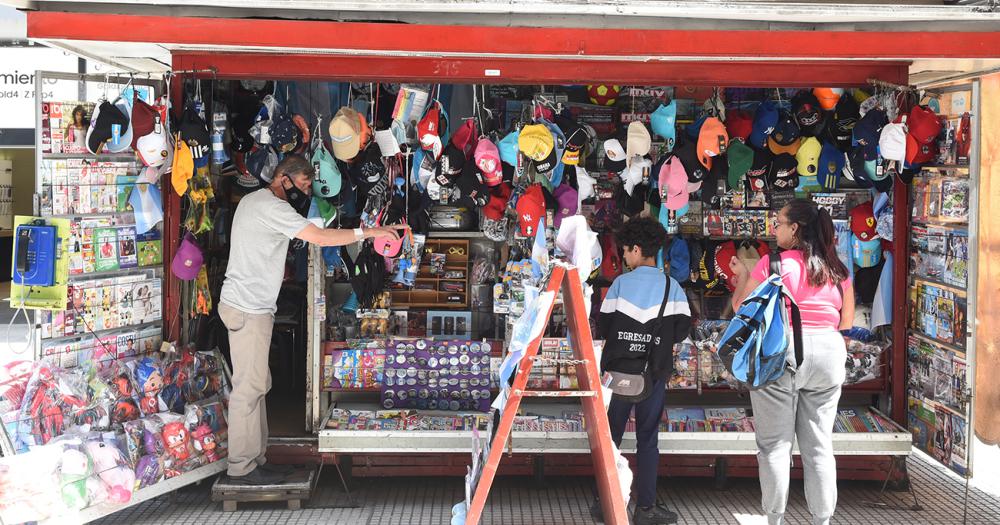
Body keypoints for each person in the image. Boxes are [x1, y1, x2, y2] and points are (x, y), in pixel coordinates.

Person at [219, 154, 407, 485]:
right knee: (248, 389)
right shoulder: (272, 208)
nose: (306, 192)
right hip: (248, 308)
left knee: (259, 384)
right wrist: (369, 232)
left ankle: (256, 459)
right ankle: (242, 467)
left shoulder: (254, 201)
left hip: (251, 306)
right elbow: (319, 239)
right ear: (284, 179)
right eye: (304, 184)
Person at [728, 199, 855, 525]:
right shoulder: (837, 269)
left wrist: (742, 275)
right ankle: (822, 521)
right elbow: (846, 321)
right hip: (829, 352)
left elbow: (743, 309)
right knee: (818, 448)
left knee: (775, 447)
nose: (775, 228)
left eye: (779, 223)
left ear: (794, 228)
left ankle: (775, 519)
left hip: (781, 352)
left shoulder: (772, 265)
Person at [595, 217, 691, 525]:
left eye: (625, 250)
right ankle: (645, 509)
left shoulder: (620, 284)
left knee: (609, 440)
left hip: (615, 378)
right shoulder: (672, 287)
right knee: (648, 440)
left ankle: (605, 503)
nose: (623, 256)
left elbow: (604, 325)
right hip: (653, 376)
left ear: (637, 249)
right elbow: (681, 331)